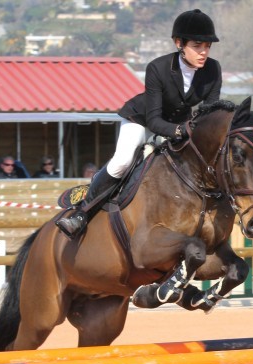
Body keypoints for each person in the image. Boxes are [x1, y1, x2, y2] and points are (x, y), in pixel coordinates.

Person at [56, 8, 221, 238]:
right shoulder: (158, 68)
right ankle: (82, 213)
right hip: (141, 119)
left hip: (180, 123)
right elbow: (154, 119)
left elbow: (210, 113)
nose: (203, 52)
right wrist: (180, 130)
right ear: (179, 43)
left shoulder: (213, 69)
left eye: (207, 47)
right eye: (197, 46)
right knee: (123, 162)